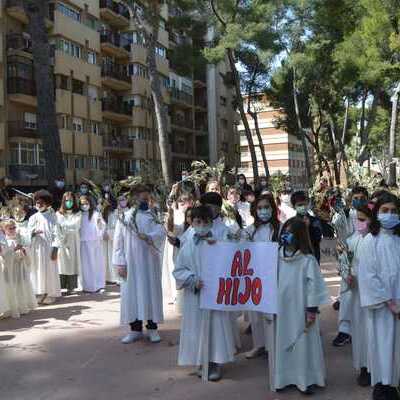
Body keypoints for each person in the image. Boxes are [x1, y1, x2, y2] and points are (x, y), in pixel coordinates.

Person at [173, 205, 236, 382]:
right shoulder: (187, 247)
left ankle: (216, 362)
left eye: (205, 222)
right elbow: (178, 270)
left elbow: (231, 261)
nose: (202, 225)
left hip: (215, 294)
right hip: (195, 295)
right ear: (192, 223)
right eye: (198, 221)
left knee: (216, 326)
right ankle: (201, 360)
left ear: (211, 223)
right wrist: (192, 279)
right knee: (196, 327)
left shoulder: (219, 243)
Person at [272, 217, 328, 394]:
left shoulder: (307, 260)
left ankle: (306, 379)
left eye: (291, 234)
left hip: (301, 310)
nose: (286, 237)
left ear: (300, 236)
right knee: (283, 341)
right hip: (282, 309)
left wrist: (311, 309)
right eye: (285, 233)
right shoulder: (277, 257)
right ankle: (284, 378)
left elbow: (314, 286)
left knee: (303, 342)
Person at [358, 193, 400, 400]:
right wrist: (390, 303)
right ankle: (384, 386)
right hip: (383, 307)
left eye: (394, 211)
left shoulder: (398, 241)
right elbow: (369, 276)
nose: (390, 215)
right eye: (385, 211)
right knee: (383, 344)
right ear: (376, 213)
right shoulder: (370, 242)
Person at [113, 184, 165, 344]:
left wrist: (149, 236)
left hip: (149, 263)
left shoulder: (153, 216)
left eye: (147, 198)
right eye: (141, 198)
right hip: (131, 263)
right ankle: (135, 329)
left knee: (150, 293)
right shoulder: (125, 217)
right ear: (134, 198)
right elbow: (118, 241)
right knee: (132, 294)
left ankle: (152, 328)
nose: (144, 201)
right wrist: (120, 263)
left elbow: (161, 232)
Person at [338, 205, 373, 387]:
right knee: (361, 332)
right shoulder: (352, 241)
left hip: (377, 296)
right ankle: (364, 367)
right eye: (358, 219)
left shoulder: (379, 241)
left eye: (364, 219)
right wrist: (347, 275)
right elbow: (344, 264)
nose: (361, 223)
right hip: (358, 294)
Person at [243, 193, 280, 359]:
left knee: (274, 312)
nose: (263, 211)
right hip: (255, 277)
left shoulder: (281, 228)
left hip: (276, 275)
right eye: (260, 208)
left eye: (266, 207)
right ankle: (259, 344)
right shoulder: (249, 231)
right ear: (254, 210)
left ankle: (275, 344)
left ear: (273, 208)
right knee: (256, 313)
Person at [333, 186, 369, 347]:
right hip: (349, 256)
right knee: (347, 293)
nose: (359, 201)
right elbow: (340, 233)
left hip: (366, 258)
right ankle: (345, 330)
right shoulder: (346, 214)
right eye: (356, 198)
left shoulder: (371, 215)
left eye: (362, 198)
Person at [28, 190, 61, 305]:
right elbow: (27, 234)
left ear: (47, 203)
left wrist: (55, 249)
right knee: (37, 270)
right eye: (37, 203)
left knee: (50, 270)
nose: (39, 205)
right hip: (37, 249)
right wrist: (33, 233)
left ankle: (51, 293)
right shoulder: (33, 218)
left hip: (49, 249)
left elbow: (58, 234)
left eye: (41, 203)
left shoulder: (53, 217)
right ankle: (40, 292)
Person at [0, 219, 37, 318]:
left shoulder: (19, 238)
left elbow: (27, 250)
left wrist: (24, 251)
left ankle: (22, 306)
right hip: (10, 268)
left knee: (21, 285)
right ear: (4, 230)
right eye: (10, 228)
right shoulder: (4, 241)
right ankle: (12, 308)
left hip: (20, 266)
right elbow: (4, 254)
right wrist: (14, 249)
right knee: (11, 287)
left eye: (14, 228)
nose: (12, 230)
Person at [163, 193, 194, 305]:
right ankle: (176, 295)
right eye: (181, 203)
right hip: (176, 248)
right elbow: (170, 229)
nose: (183, 205)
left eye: (186, 202)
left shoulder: (191, 216)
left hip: (184, 247)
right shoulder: (174, 214)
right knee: (175, 268)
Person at [79, 195, 106, 293]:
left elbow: (102, 225)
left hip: (95, 242)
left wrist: (100, 228)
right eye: (82, 204)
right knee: (85, 266)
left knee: (96, 264)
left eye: (86, 203)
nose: (84, 206)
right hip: (83, 242)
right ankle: (87, 286)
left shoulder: (95, 214)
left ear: (90, 203)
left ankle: (98, 285)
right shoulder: (79, 215)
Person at [56, 192, 82, 294]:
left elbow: (76, 226)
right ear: (63, 201)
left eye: (71, 200)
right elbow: (58, 227)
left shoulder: (78, 213)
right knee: (62, 264)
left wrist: (65, 226)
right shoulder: (58, 213)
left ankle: (71, 287)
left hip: (73, 241)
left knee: (72, 264)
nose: (69, 202)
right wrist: (66, 227)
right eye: (66, 200)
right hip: (62, 241)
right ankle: (61, 287)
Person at [290, 191, 323, 263]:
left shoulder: (315, 221)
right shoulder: (291, 223)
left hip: (313, 257)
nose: (303, 207)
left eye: (305, 204)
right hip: (297, 259)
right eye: (300, 205)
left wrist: (308, 227)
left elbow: (318, 238)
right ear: (294, 206)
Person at [102, 200, 119, 285]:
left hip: (112, 238)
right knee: (106, 258)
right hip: (104, 240)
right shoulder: (102, 213)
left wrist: (109, 233)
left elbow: (114, 226)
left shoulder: (114, 213)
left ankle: (113, 277)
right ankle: (107, 277)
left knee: (112, 257)